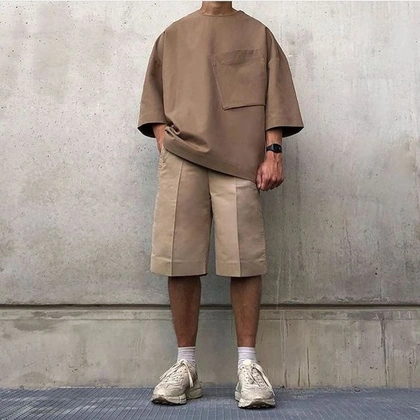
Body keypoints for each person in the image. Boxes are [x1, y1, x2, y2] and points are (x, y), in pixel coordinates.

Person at [137, 1, 304, 409]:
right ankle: (185, 365)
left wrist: (273, 151)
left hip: (240, 160)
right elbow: (153, 98)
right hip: (181, 157)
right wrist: (163, 140)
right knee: (178, 257)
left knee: (244, 258)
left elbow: (276, 96)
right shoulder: (173, 35)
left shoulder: (258, 33)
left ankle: (248, 366)